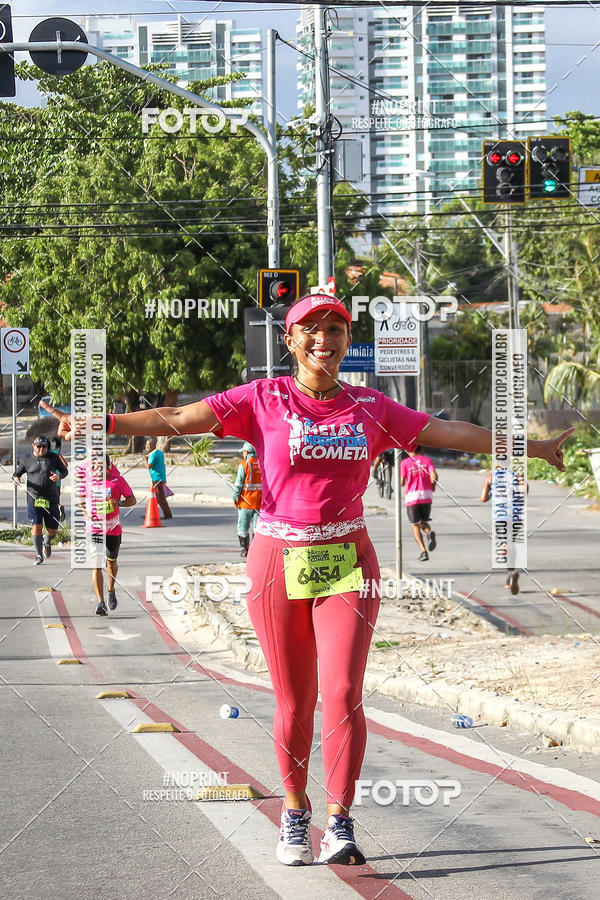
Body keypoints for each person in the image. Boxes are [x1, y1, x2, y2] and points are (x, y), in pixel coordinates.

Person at [40, 294, 572, 869]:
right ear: (290, 340)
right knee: (295, 700)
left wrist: (533, 447)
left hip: (347, 561)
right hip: (277, 558)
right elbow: (179, 418)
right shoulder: (262, 398)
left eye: (335, 328)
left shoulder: (371, 406)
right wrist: (104, 422)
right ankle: (295, 814)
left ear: (347, 340)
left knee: (342, 693)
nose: (324, 338)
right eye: (311, 328)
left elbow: (450, 431)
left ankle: (339, 822)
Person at [79, 453, 136, 616]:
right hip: (94, 528)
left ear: (108, 466)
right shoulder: (87, 482)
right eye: (95, 466)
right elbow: (81, 499)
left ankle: (111, 589)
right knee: (96, 564)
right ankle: (101, 603)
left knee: (111, 563)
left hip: (112, 528)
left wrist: (119, 503)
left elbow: (132, 499)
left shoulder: (117, 481)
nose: (98, 468)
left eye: (101, 465)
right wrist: (85, 512)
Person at [12, 435, 68, 564]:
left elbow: (64, 471)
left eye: (44, 447)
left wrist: (58, 476)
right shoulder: (26, 459)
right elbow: (16, 474)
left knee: (53, 530)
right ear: (33, 446)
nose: (42, 449)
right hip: (34, 498)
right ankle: (38, 555)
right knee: (36, 526)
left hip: (51, 498)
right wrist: (16, 479)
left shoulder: (53, 457)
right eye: (39, 447)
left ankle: (47, 542)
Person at [481, 468, 528, 595]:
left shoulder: (490, 477)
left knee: (505, 545)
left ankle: (511, 572)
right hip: (516, 516)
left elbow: (483, 498)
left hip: (500, 517)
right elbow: (525, 492)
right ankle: (510, 576)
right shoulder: (517, 475)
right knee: (511, 543)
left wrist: (492, 494)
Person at [400, 446, 438, 561]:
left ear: (409, 450)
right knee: (424, 521)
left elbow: (402, 482)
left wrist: (405, 481)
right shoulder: (427, 460)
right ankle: (428, 532)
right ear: (421, 450)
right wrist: (433, 486)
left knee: (415, 524)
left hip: (412, 496)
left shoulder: (405, 463)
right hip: (426, 495)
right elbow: (435, 476)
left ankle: (423, 551)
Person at [232, 442, 262, 558]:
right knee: (257, 527)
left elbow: (239, 484)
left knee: (242, 527)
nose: (243, 454)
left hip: (245, 502)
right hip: (259, 502)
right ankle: (256, 550)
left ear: (247, 452)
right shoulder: (262, 464)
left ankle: (244, 550)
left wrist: (235, 497)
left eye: (243, 452)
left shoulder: (244, 465)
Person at [144, 438, 172, 519]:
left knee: (160, 497)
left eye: (149, 445)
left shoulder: (153, 453)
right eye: (147, 445)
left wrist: (145, 460)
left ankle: (168, 514)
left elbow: (149, 466)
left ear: (154, 445)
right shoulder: (159, 452)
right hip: (160, 477)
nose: (147, 446)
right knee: (155, 497)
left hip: (157, 478)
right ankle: (151, 514)